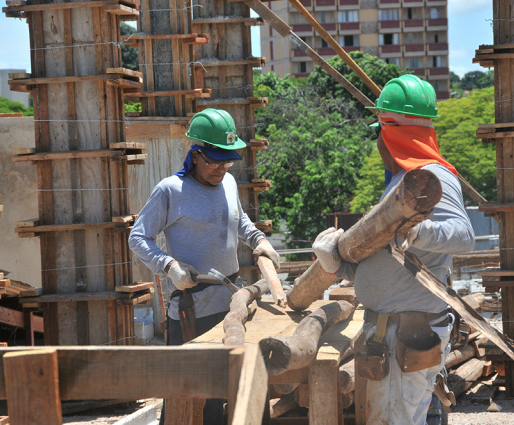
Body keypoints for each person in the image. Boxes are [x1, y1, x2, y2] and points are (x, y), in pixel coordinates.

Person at [312, 75, 475, 425]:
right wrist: (337, 266)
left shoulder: (433, 177)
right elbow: (389, 262)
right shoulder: (403, 186)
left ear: (391, 132)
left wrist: (417, 229)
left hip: (405, 334)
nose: (378, 144)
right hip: (392, 332)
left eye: (378, 134)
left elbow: (464, 236)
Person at [128, 108, 280, 424]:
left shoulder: (228, 185)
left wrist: (258, 241)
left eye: (226, 162)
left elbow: (241, 221)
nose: (220, 169)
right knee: (187, 397)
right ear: (195, 155)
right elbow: (138, 237)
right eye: (213, 161)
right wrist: (168, 265)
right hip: (191, 312)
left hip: (231, 308)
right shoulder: (171, 191)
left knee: (228, 393)